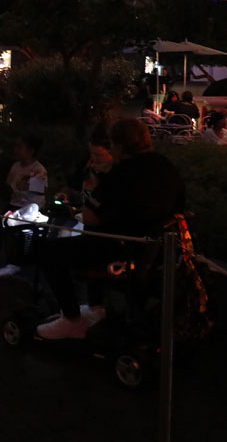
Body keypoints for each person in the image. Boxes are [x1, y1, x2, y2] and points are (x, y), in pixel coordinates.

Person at [37, 119, 185, 339]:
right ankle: (96, 308)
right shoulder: (166, 166)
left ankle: (71, 319)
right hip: (160, 251)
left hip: (121, 251)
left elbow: (91, 217)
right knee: (88, 241)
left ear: (121, 147)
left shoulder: (122, 173)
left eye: (113, 145)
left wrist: (95, 188)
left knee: (49, 251)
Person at [0, 134, 47, 279]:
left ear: (31, 150)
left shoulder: (38, 170)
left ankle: (14, 263)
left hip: (30, 208)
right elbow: (11, 186)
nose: (16, 150)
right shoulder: (16, 166)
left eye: (20, 147)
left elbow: (32, 190)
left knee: (17, 230)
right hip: (15, 204)